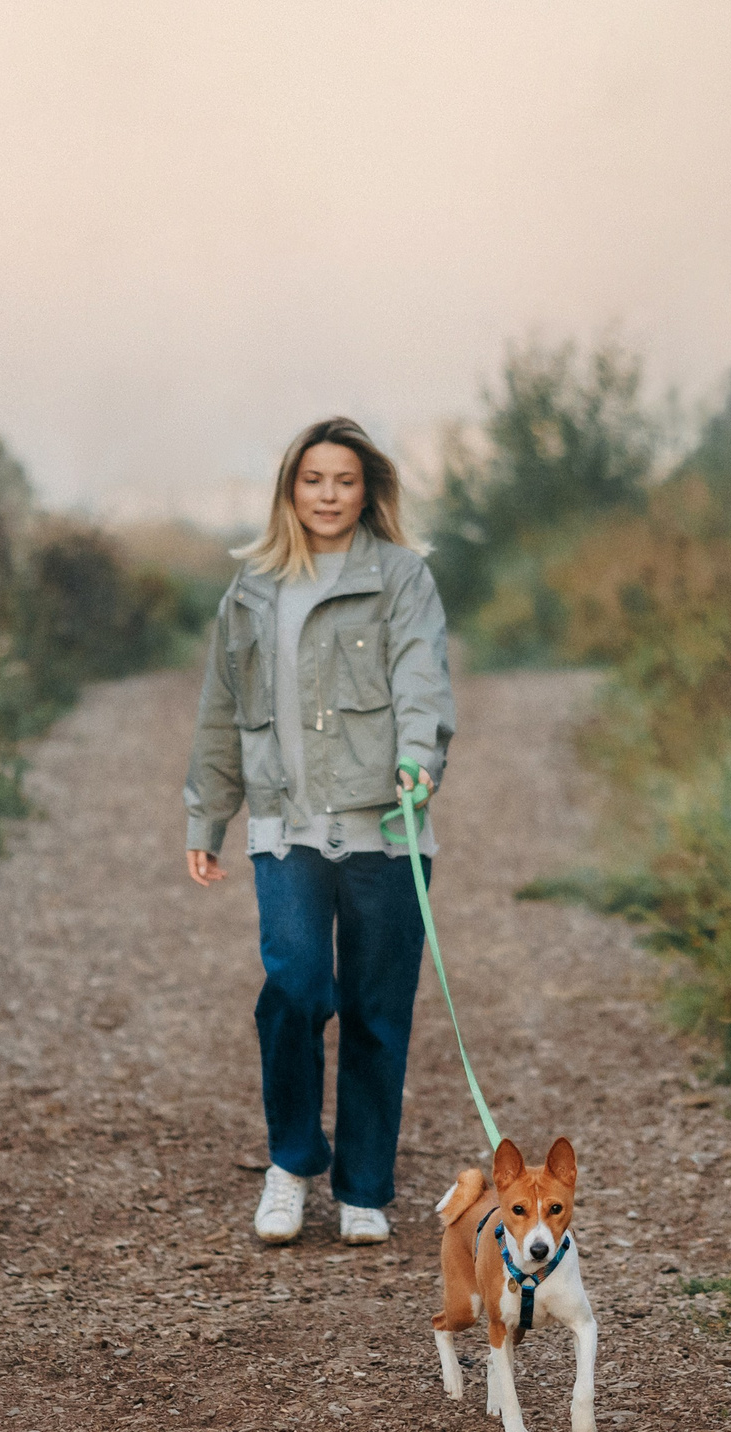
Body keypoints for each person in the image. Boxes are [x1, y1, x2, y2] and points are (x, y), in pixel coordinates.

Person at [183, 417, 457, 1245]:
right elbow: (221, 710)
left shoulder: (404, 577)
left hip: (386, 828)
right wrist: (208, 815)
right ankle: (292, 1163)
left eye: (344, 481)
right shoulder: (253, 588)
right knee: (297, 988)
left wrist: (419, 761)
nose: (328, 495)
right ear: (289, 491)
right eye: (313, 480)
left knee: (378, 1010)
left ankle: (365, 1187)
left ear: (367, 490)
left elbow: (423, 682)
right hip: (287, 827)